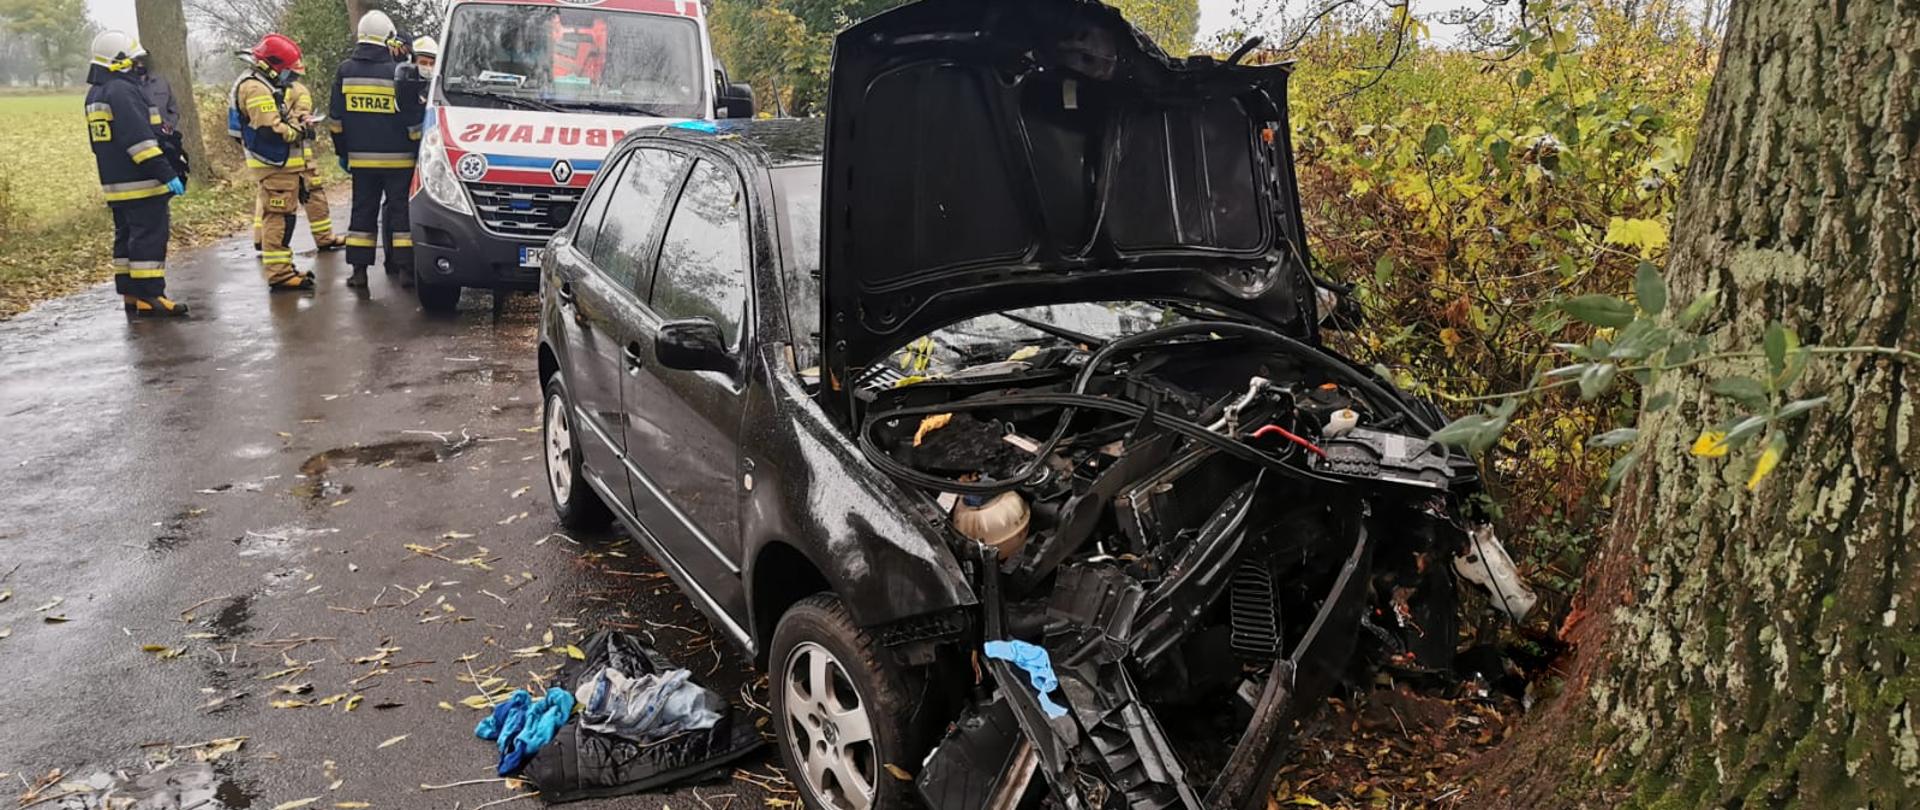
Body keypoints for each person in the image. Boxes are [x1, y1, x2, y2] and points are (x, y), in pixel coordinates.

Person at [86, 30, 187, 316]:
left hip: (116, 183)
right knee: (149, 236)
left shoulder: (96, 93)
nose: (136, 65)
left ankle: (130, 292)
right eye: (131, 60)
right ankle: (150, 296)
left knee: (126, 236)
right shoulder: (122, 90)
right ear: (118, 61)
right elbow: (139, 140)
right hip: (142, 182)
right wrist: (166, 173)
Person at [332, 10, 421, 290]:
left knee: (362, 214)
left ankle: (359, 273)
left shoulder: (345, 71)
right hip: (400, 162)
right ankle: (406, 270)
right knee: (401, 214)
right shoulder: (398, 72)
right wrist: (417, 148)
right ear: (387, 38)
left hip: (361, 161)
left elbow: (335, 121)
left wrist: (343, 153)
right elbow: (412, 120)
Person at [231, 32, 316, 291]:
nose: (290, 76)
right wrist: (298, 131)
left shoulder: (263, 84)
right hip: (273, 166)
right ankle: (279, 274)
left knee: (284, 217)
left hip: (281, 166)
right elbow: (270, 128)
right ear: (273, 65)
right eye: (288, 70)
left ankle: (283, 268)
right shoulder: (255, 87)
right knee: (277, 218)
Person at [285, 61, 345, 251]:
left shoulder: (264, 87)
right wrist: (305, 124)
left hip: (277, 157)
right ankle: (324, 237)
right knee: (312, 194)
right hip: (297, 155)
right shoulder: (297, 90)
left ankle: (262, 241)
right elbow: (301, 116)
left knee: (271, 201)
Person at [129, 41, 188, 182]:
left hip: (165, 138)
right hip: (142, 139)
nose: (140, 65)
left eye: (142, 61)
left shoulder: (161, 83)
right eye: (136, 62)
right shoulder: (128, 87)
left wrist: (169, 125)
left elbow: (173, 109)